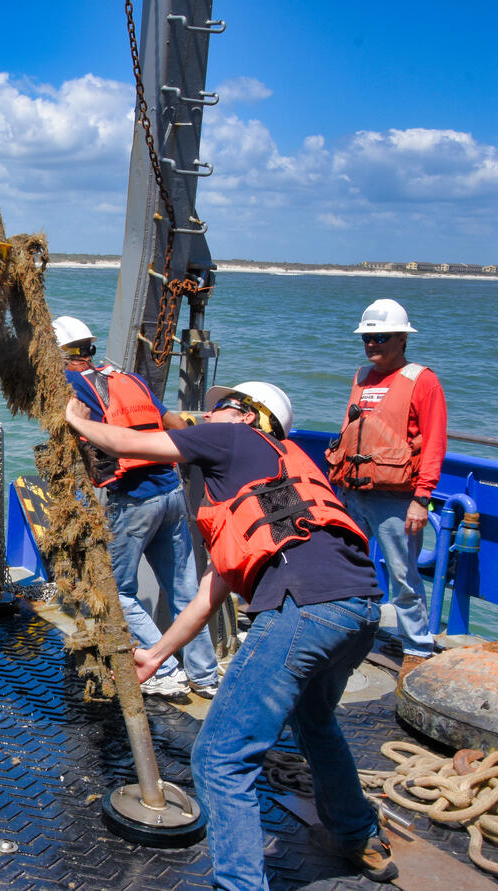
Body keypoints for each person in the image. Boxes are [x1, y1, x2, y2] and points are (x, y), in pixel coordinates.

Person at [66, 380, 395, 890]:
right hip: (359, 613)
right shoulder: (273, 476)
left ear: (248, 416)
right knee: (315, 722)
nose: (210, 415)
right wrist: (154, 656)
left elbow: (128, 443)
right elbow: (204, 601)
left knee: (219, 758)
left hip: (303, 610)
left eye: (220, 408)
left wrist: (77, 421)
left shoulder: (235, 439)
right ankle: (359, 837)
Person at [53, 316, 220, 699]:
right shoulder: (127, 378)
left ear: (57, 353)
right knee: (184, 590)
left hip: (133, 500)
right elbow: (173, 423)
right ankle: (205, 676)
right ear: (89, 349)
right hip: (172, 492)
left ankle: (164, 670)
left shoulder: (72, 383)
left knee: (117, 590)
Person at [325, 298, 447, 680]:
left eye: (380, 337)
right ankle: (350, 632)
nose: (372, 344)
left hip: (396, 499)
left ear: (402, 339)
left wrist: (421, 499)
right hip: (352, 492)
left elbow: (434, 442)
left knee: (403, 575)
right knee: (346, 566)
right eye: (367, 338)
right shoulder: (361, 376)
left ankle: (417, 646)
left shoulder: (421, 380)